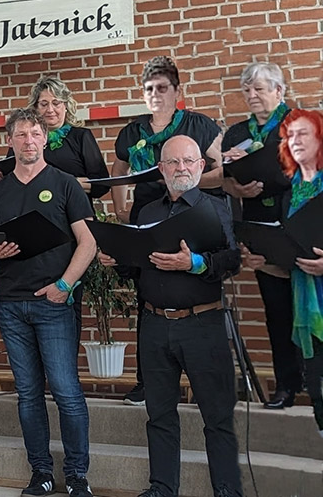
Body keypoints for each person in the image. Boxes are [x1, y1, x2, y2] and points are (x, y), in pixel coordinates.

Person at [98, 135, 243, 497]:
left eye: (188, 161)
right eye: (173, 162)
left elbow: (232, 261)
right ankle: (162, 488)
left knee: (218, 417)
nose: (181, 168)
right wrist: (117, 260)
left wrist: (193, 263)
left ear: (200, 166)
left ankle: (227, 490)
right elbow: (138, 269)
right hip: (154, 325)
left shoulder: (217, 207)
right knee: (159, 415)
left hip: (203, 325)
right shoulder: (147, 213)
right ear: (161, 169)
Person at [0, 108, 96, 497]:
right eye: (21, 135)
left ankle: (77, 475)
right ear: (9, 141)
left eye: (35, 134)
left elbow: (88, 242)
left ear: (45, 139)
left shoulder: (65, 184)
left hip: (54, 302)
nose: (28, 141)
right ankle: (41, 472)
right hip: (11, 303)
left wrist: (65, 284)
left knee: (65, 390)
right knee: (28, 393)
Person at [111, 56, 223, 406]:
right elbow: (118, 170)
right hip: (148, 215)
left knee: (193, 293)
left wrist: (185, 181)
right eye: (149, 89)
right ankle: (148, 381)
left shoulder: (198, 124)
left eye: (162, 88)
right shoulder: (133, 131)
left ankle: (202, 382)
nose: (156, 94)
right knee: (149, 297)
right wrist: (121, 210)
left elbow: (222, 169)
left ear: (177, 90)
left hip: (191, 214)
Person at [221, 62, 300, 409]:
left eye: (259, 89)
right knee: (277, 312)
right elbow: (223, 179)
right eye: (247, 90)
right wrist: (236, 187)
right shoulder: (237, 133)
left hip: (301, 228)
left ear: (279, 91)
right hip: (262, 231)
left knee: (312, 313)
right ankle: (286, 385)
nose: (251, 95)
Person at [13, 76, 111, 340]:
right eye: (43, 103)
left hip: (72, 229)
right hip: (34, 229)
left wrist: (71, 184)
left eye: (56, 102)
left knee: (67, 299)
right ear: (35, 108)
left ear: (66, 105)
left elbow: (101, 184)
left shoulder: (80, 137)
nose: (50, 109)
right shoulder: (28, 141)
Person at [275, 110, 323, 436]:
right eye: (290, 135)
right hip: (305, 301)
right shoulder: (289, 192)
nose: (295, 141)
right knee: (316, 386)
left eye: (303, 133)